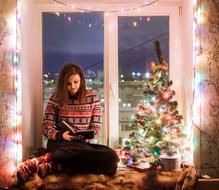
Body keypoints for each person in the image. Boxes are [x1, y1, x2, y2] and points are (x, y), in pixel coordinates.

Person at [16, 63, 119, 182]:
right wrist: (62, 135)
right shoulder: (56, 98)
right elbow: (46, 126)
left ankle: (55, 165)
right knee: (74, 153)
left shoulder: (93, 99)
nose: (73, 86)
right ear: (63, 84)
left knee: (111, 159)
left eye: (76, 82)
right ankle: (38, 162)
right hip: (60, 144)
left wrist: (86, 134)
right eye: (68, 83)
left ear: (81, 80)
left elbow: (96, 127)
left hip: (81, 145)